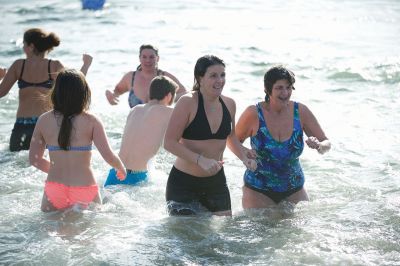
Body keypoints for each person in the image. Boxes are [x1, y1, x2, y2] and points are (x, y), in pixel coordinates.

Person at [164, 55, 257, 216]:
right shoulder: (187, 102)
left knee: (223, 236)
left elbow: (231, 138)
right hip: (183, 184)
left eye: (222, 75)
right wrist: (200, 160)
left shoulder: (229, 104)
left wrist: (244, 157)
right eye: (213, 76)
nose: (219, 80)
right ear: (200, 78)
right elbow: (169, 142)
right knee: (188, 238)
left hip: (216, 183)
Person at [234, 65, 331, 209]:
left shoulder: (301, 112)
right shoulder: (254, 113)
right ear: (267, 89)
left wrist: (319, 145)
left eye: (288, 87)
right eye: (279, 88)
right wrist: (244, 154)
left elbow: (326, 143)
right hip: (258, 189)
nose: (285, 92)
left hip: (294, 189)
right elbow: (232, 140)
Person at [29, 69, 126, 212]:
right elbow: (108, 155)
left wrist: (58, 169)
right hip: (84, 187)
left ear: (56, 91)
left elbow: (35, 159)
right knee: (90, 233)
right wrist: (121, 168)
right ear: (84, 93)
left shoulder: (43, 120)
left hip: (54, 189)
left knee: (49, 232)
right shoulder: (92, 121)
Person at [0, 28, 92, 151]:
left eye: (24, 45)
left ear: (31, 46)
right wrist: (86, 65)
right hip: (46, 125)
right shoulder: (54, 65)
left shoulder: (18, 65)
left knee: (14, 164)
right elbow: (74, 85)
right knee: (41, 164)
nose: (23, 48)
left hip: (21, 126)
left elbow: (1, 92)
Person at [104, 75, 177, 186]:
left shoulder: (135, 110)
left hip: (115, 173)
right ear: (169, 96)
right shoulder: (169, 112)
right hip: (136, 178)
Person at [105, 44, 186, 108]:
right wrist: (109, 93)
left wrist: (168, 98)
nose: (148, 60)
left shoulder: (165, 77)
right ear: (139, 58)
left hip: (159, 123)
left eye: (151, 57)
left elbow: (185, 94)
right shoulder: (130, 77)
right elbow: (117, 91)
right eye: (144, 57)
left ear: (157, 58)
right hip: (136, 124)